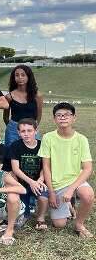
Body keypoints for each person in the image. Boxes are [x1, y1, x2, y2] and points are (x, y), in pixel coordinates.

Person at [39, 102, 94, 238]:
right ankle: (69, 203)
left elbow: (87, 169)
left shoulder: (81, 139)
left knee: (88, 195)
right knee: (59, 224)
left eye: (67, 115)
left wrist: (71, 189)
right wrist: (51, 192)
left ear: (74, 117)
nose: (63, 117)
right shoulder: (48, 138)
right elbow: (46, 166)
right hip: (57, 184)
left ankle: (79, 224)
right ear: (54, 119)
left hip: (75, 180)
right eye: (59, 115)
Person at [8, 118, 48, 228]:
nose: (26, 134)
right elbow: (15, 169)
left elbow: (46, 166)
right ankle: (25, 212)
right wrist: (31, 182)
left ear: (36, 131)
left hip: (39, 181)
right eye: (23, 131)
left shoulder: (42, 145)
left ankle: (41, 218)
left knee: (43, 197)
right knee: (22, 215)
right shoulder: (15, 146)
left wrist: (39, 180)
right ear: (18, 133)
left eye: (29, 130)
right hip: (22, 183)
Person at [3, 65, 43, 146]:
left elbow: (39, 115)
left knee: (35, 153)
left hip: (32, 127)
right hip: (13, 129)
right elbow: (5, 117)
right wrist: (13, 128)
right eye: (17, 75)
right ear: (13, 78)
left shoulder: (37, 95)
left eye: (23, 75)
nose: (20, 77)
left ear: (28, 77)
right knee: (11, 154)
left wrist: (33, 127)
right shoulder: (9, 96)